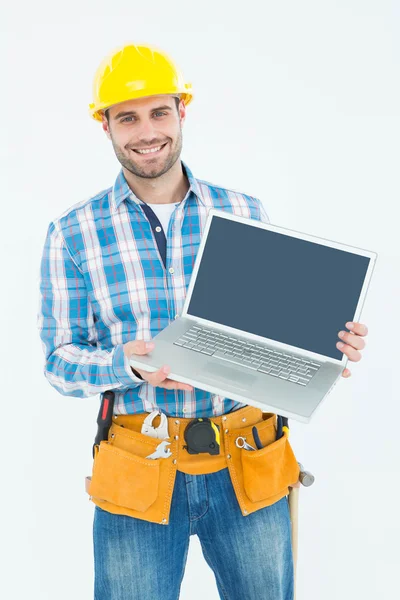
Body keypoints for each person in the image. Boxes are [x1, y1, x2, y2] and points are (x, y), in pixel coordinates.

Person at [37, 43, 368, 600]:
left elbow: (274, 334)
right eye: (128, 117)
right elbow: (59, 361)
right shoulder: (74, 232)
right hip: (140, 466)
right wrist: (132, 366)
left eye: (159, 112)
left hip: (248, 461)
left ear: (182, 112)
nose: (146, 132)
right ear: (106, 127)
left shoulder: (242, 212)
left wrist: (325, 348)